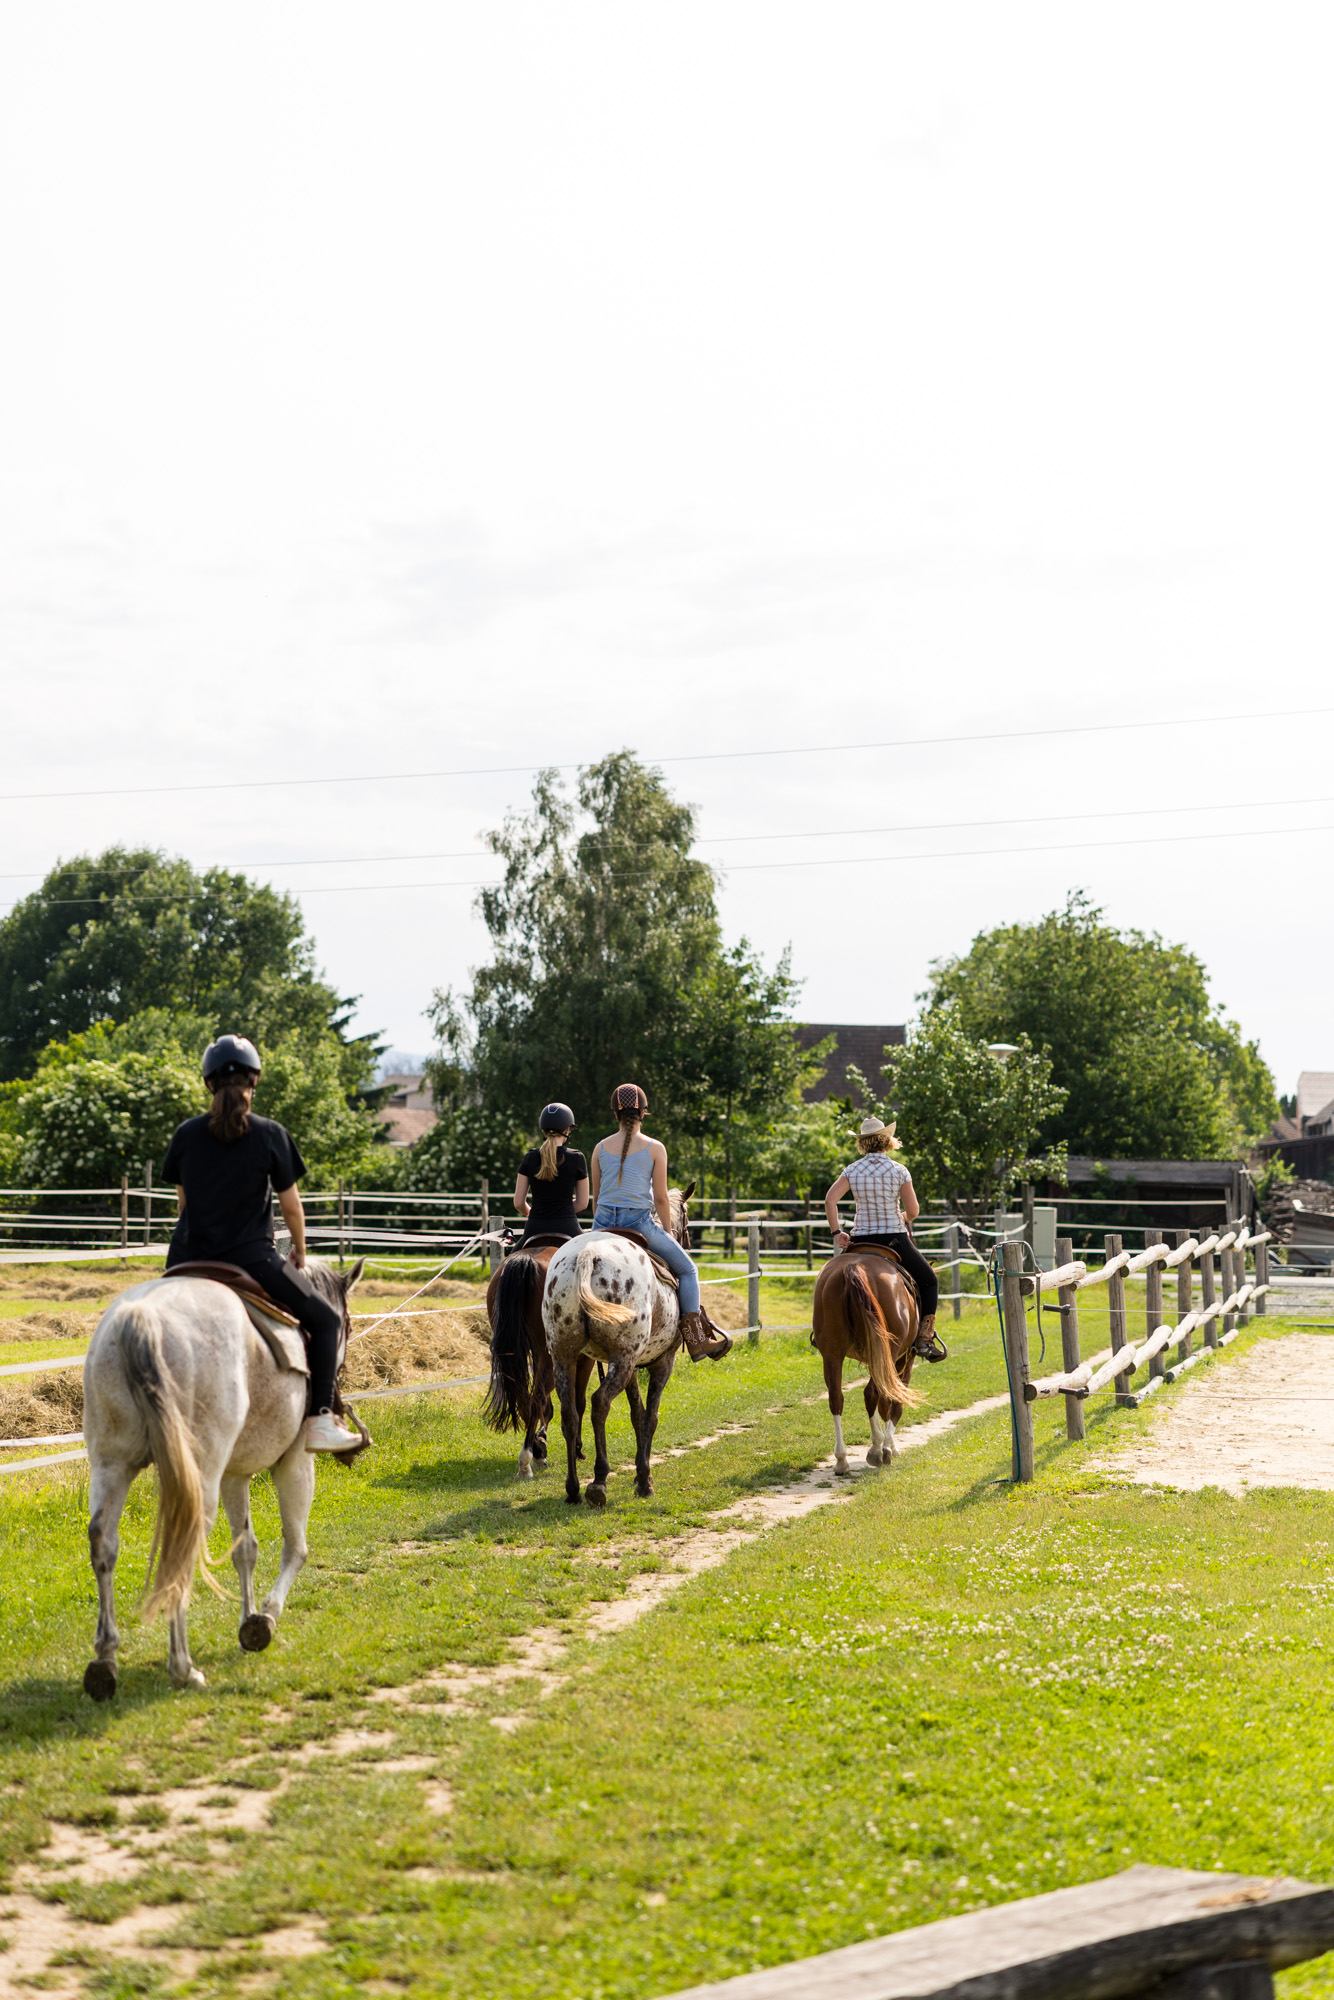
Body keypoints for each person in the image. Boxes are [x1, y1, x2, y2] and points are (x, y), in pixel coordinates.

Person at [162, 1034, 362, 1451]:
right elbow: (291, 1208)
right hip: (250, 1260)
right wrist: (301, 1255)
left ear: (208, 1083)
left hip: (184, 1260)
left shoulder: (186, 1134)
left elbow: (183, 1207)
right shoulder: (270, 1134)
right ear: (253, 1082)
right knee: (326, 1320)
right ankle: (322, 1420)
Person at [591, 1082, 730, 1361]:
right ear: (643, 1113)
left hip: (602, 1225)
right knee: (689, 1270)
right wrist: (667, 1232)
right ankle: (696, 1340)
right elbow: (662, 1199)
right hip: (639, 1223)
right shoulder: (655, 1148)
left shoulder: (599, 1148)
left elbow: (596, 1200)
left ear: (614, 1114)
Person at [823, 1116, 944, 1359]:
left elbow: (830, 1200)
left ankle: (824, 1332)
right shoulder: (899, 1170)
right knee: (929, 1280)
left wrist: (837, 1233)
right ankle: (924, 1338)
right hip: (894, 1239)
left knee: (830, 1279)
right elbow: (913, 1211)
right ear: (887, 1141)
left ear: (863, 1143)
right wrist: (904, 1217)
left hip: (860, 1241)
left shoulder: (852, 1169)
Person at [513, 1103, 589, 1245]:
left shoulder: (530, 1157)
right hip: (568, 1227)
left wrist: (535, 1213)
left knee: (509, 1264)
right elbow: (582, 1203)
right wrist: (561, 1210)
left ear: (543, 1130)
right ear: (567, 1129)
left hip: (534, 1227)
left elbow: (518, 1203)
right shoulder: (577, 1157)